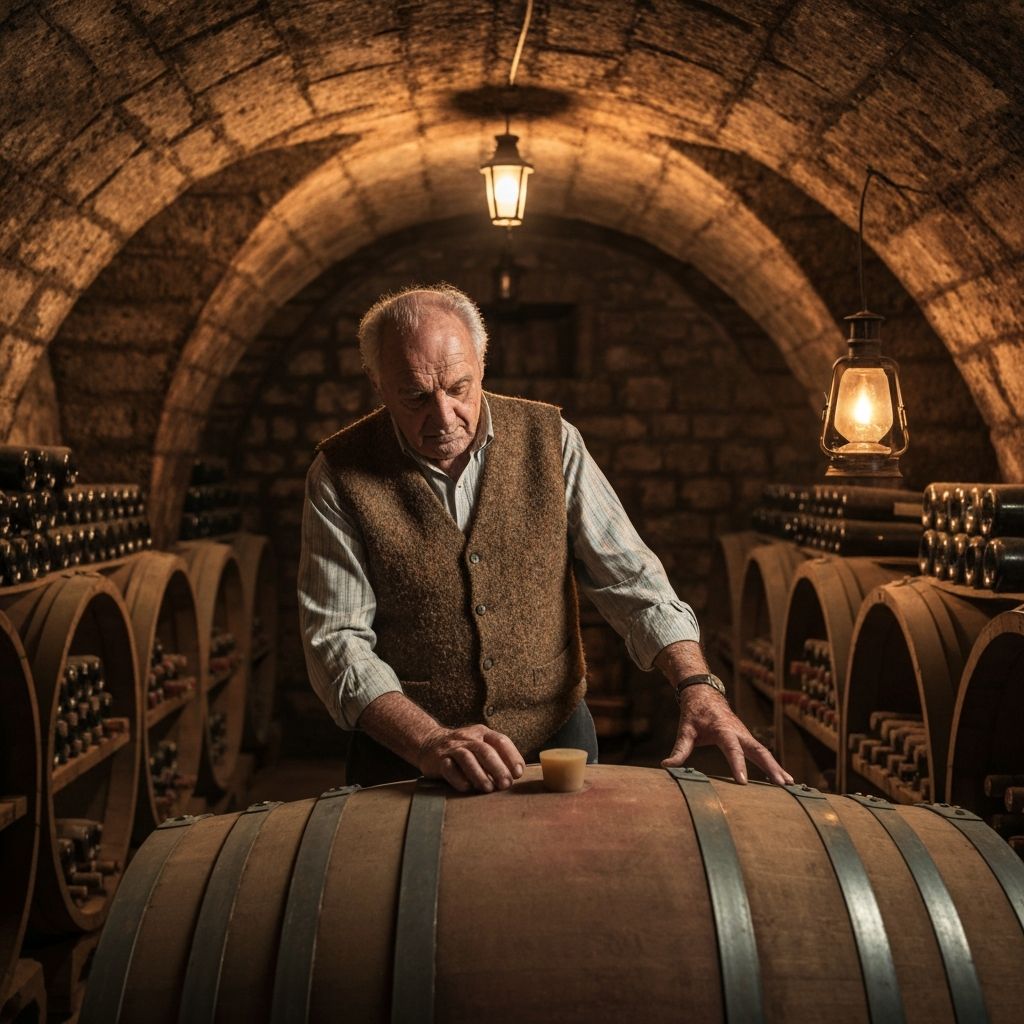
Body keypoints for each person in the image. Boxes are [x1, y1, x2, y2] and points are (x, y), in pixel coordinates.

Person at [298, 284, 792, 793]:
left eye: (459, 388)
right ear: (379, 384)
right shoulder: (338, 473)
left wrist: (697, 685)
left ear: (482, 365)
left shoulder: (551, 440)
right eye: (416, 397)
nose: (444, 416)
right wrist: (427, 740)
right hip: (405, 757)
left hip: (556, 746)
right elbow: (337, 641)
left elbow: (633, 581)